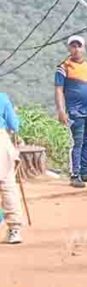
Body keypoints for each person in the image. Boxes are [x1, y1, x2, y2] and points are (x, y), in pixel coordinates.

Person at [54, 35, 87, 188]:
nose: (76, 49)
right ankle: (75, 174)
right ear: (69, 48)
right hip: (75, 111)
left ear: (84, 48)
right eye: (73, 46)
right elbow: (59, 90)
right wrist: (61, 111)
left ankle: (86, 172)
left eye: (79, 46)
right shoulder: (63, 68)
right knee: (77, 142)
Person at [0, 92, 24, 244]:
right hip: (1, 143)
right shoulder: (2, 97)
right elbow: (14, 125)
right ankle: (14, 229)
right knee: (7, 185)